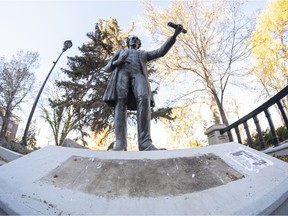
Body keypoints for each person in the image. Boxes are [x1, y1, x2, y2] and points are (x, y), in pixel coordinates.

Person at [103, 24, 184, 151]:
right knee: (120, 103)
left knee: (144, 99)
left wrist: (174, 36)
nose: (134, 40)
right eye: (132, 38)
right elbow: (107, 68)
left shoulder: (143, 54)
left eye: (137, 39)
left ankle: (145, 143)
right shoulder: (120, 52)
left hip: (138, 75)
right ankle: (120, 144)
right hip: (122, 75)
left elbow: (160, 52)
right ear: (128, 42)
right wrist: (116, 62)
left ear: (139, 44)